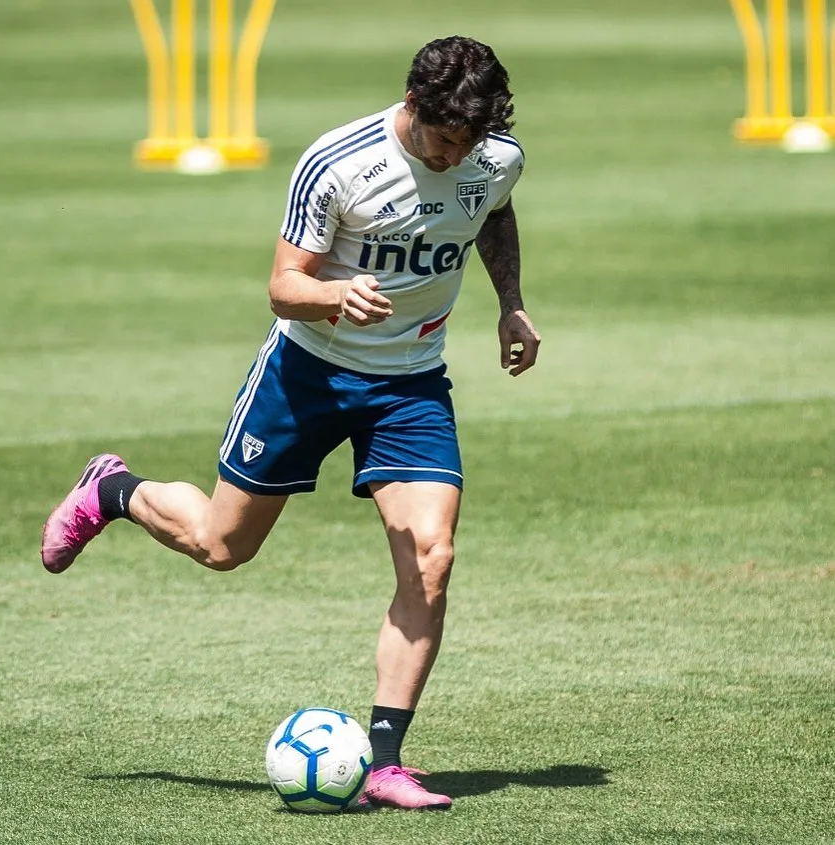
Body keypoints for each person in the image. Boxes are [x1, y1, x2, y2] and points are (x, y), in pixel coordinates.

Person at [41, 35, 540, 810]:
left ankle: (384, 759)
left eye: (470, 141)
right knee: (220, 545)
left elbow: (493, 216)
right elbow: (281, 286)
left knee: (431, 558)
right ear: (412, 106)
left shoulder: (490, 156)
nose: (454, 157)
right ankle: (112, 490)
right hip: (307, 372)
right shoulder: (338, 162)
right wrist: (334, 296)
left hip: (410, 385)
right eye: (444, 139)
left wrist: (509, 303)